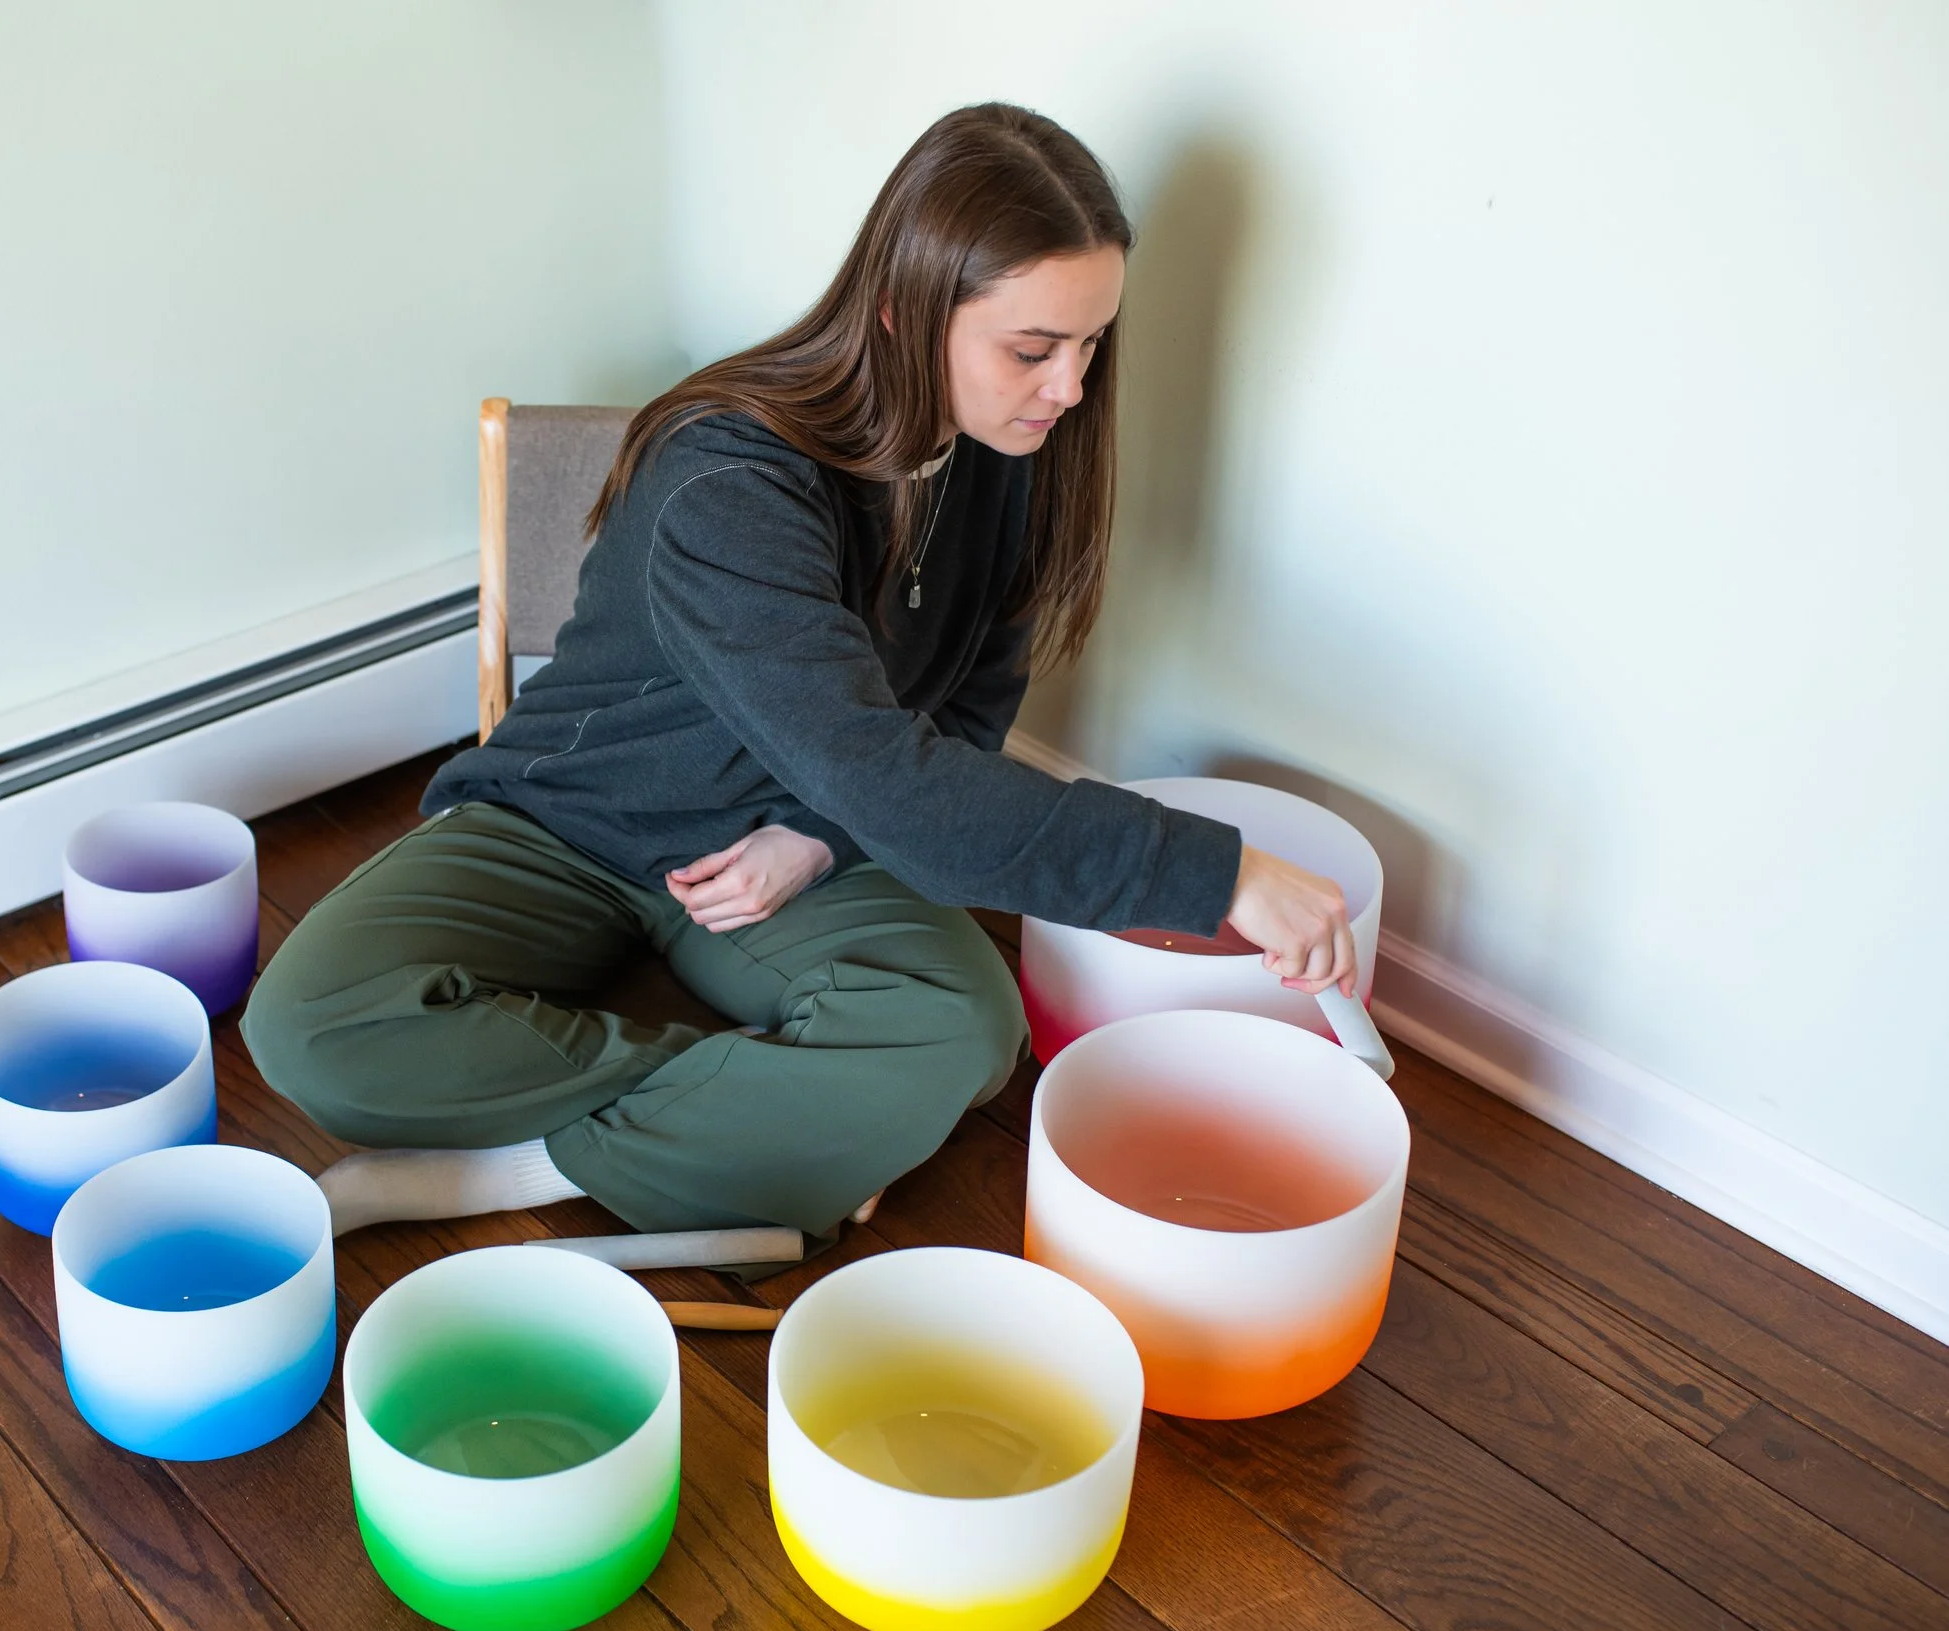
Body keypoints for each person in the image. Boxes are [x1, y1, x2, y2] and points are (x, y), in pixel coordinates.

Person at [242, 102, 1354, 1248]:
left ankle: (518, 1168)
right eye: (1032, 348)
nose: (1068, 389)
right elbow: (898, 781)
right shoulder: (725, 481)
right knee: (311, 1026)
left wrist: (816, 833)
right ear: (900, 311)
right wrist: (1218, 873)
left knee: (966, 1030)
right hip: (566, 823)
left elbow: (959, 720)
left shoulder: (1010, 452)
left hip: (782, 844)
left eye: (1089, 345)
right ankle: (765, 1112)